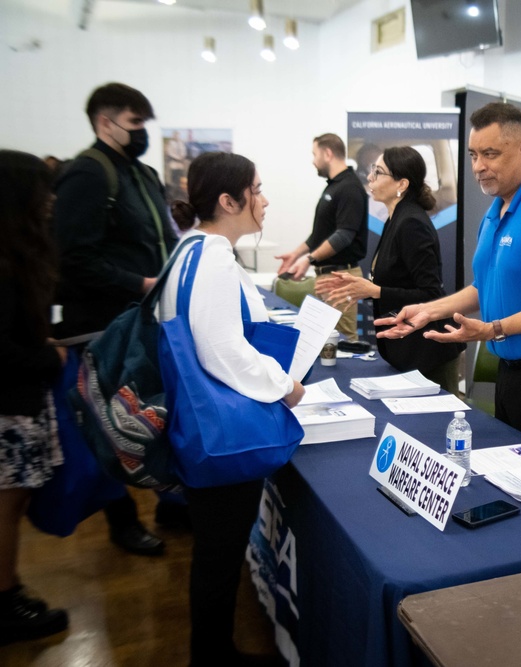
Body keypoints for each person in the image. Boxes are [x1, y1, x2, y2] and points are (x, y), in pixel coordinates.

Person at [375, 103, 521, 469]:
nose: (479, 166)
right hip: (513, 372)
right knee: (516, 477)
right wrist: (429, 310)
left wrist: (492, 329)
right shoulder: (496, 210)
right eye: (474, 155)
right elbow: (485, 287)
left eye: (490, 154)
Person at [164, 151, 304, 666]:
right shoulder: (215, 256)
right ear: (229, 200)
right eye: (257, 189)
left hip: (196, 421)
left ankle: (213, 650)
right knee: (218, 557)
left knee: (215, 556)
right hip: (222, 431)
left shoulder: (189, 250)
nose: (265, 201)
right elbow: (220, 349)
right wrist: (283, 384)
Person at [52, 82, 177, 556]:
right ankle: (121, 520)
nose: (142, 132)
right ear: (105, 123)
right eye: (134, 123)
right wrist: (139, 283)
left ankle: (169, 502)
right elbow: (74, 256)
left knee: (157, 412)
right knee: (110, 423)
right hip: (105, 326)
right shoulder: (87, 174)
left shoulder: (142, 174)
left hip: (146, 320)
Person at [316, 147, 464, 393]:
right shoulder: (395, 217)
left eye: (379, 172)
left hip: (428, 352)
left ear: (402, 183)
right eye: (372, 171)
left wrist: (375, 291)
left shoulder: (411, 223)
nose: (370, 178)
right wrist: (362, 287)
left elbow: (430, 294)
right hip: (406, 348)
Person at [0, 150, 69, 644]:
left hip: (21, 397)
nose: (51, 201)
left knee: (13, 503)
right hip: (9, 402)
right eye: (43, 191)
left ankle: (8, 587)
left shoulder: (16, 255)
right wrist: (48, 358)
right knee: (5, 506)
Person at [275, 133, 368, 341]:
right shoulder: (334, 186)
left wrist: (308, 259)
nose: (313, 160)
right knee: (323, 339)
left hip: (340, 278)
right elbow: (321, 235)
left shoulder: (349, 188)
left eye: (314, 154)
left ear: (328, 153)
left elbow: (343, 236)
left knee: (343, 340)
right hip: (327, 276)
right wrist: (296, 254)